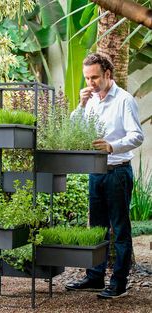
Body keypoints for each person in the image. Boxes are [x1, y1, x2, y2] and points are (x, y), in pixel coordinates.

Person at [65, 53, 144, 299]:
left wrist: (112, 146)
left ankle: (119, 282)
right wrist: (80, 105)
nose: (91, 82)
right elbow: (74, 127)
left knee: (119, 229)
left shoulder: (124, 100)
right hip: (95, 171)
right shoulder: (90, 100)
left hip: (117, 172)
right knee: (96, 228)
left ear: (108, 74)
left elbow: (137, 135)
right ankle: (95, 277)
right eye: (87, 78)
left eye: (95, 77)